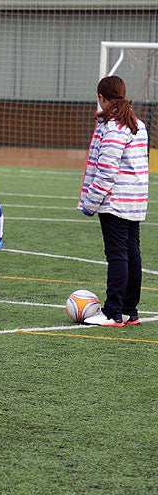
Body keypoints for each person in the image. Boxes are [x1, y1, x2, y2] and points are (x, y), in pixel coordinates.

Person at [77, 75, 148, 327]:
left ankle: (112, 312)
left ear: (101, 98)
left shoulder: (113, 126)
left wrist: (91, 202)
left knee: (118, 254)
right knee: (132, 253)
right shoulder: (137, 123)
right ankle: (130, 311)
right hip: (135, 199)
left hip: (116, 200)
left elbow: (107, 169)